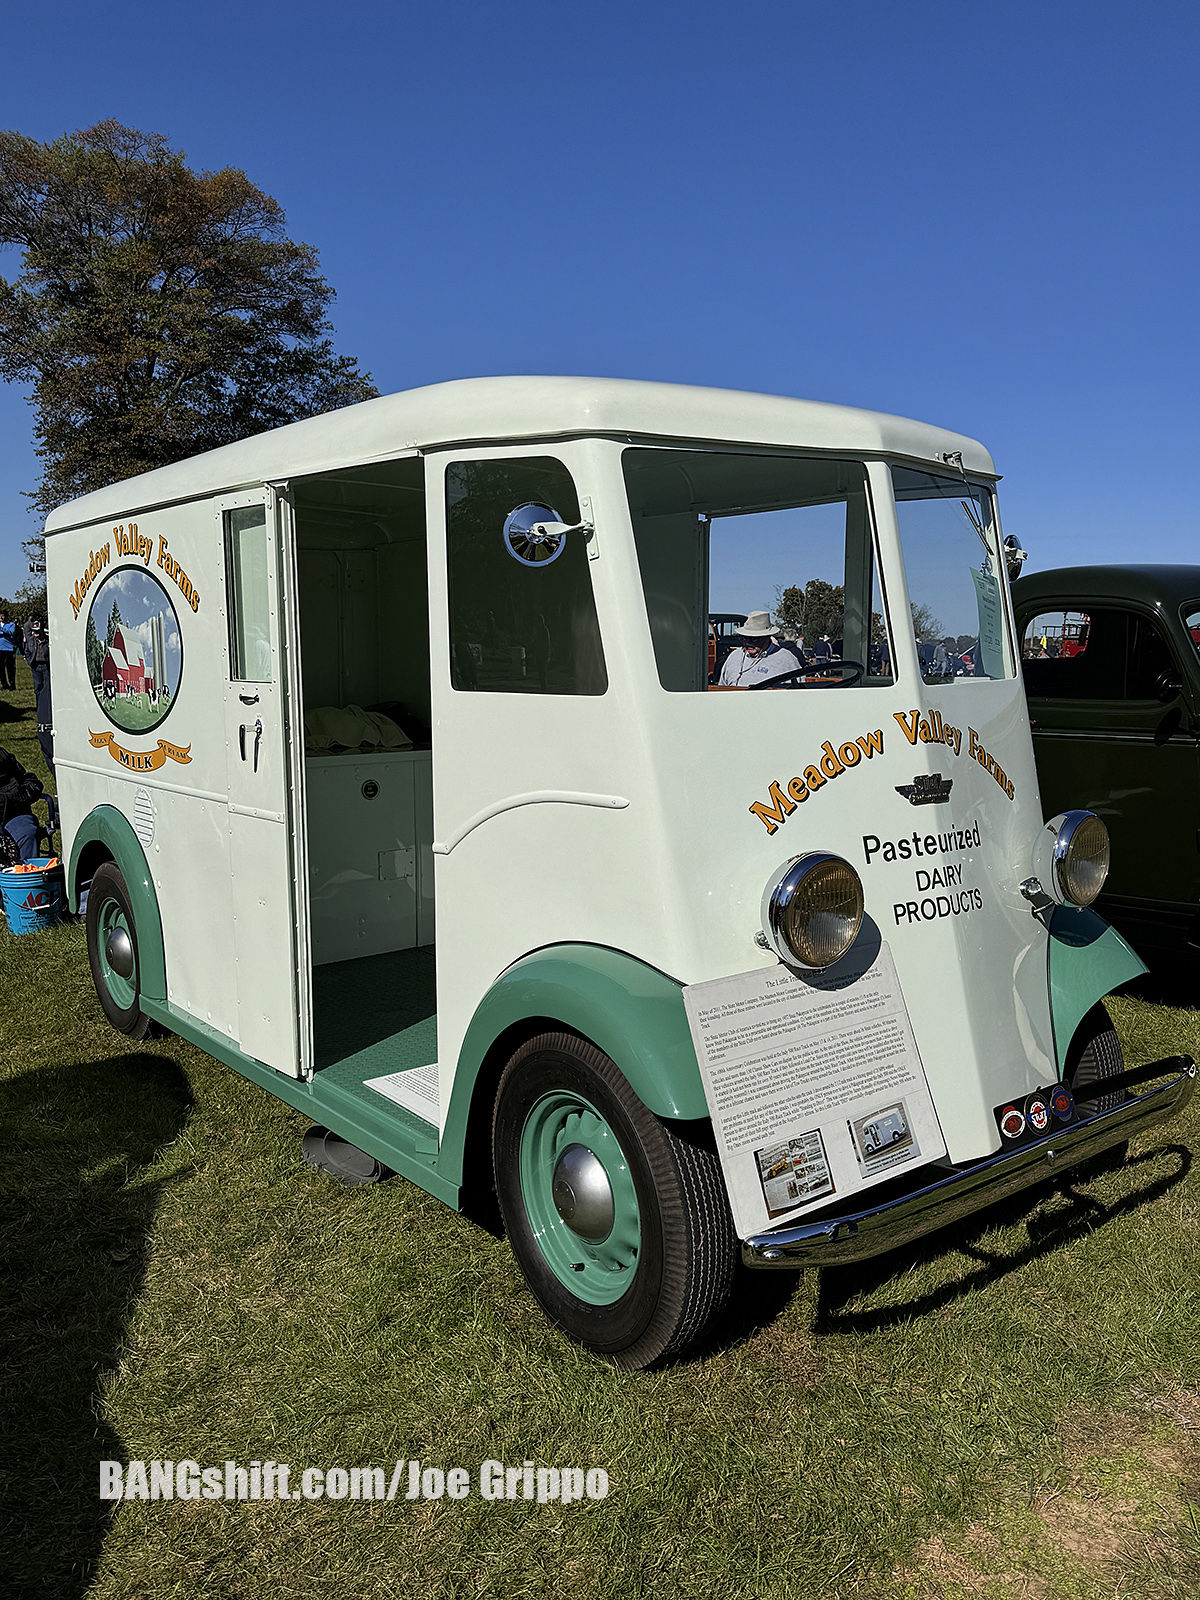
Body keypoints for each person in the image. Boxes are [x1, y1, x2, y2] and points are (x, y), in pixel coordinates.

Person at [718, 611, 804, 688]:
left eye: (754, 639)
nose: (748, 642)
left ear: (767, 637)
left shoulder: (787, 659)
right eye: (745, 638)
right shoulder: (734, 657)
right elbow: (722, 688)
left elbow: (799, 691)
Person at [0, 743, 44, 862]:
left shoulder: (3, 757)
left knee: (28, 832)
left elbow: (31, 782)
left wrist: (19, 797)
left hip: (13, 814)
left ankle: (25, 877)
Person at [23, 619, 54, 773]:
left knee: (48, 690)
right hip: (36, 667)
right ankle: (40, 710)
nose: (36, 634)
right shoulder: (31, 641)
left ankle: (46, 709)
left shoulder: (48, 641)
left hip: (46, 667)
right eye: (34, 632)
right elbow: (26, 651)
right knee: (38, 690)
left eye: (37, 631)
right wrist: (30, 662)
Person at [0, 611, 16, 691]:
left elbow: (11, 632)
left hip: (8, 649)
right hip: (0, 649)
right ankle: (4, 684)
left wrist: (2, 629)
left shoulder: (11, 625)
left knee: (10, 668)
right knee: (1, 668)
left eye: (2, 616)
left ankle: (12, 684)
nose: (1, 618)